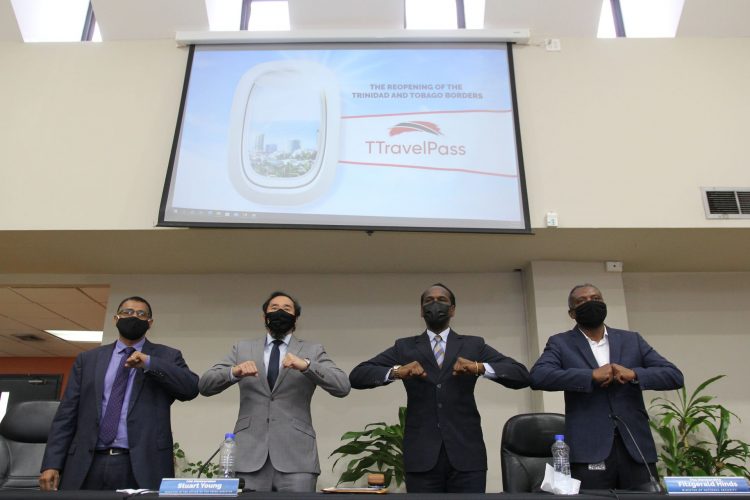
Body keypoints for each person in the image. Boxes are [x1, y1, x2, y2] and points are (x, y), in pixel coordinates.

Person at [349, 283, 530, 493]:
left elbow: (521, 374)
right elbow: (358, 375)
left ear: (452, 309)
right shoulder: (405, 347)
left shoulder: (473, 345)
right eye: (429, 300)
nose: (435, 304)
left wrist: (479, 367)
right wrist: (398, 372)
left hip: (467, 455)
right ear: (421, 310)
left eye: (442, 300)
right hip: (421, 455)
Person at [529, 283, 684, 490]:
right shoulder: (561, 343)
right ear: (572, 313)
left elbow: (674, 375)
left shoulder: (632, 340)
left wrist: (634, 374)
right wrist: (590, 376)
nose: (590, 303)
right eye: (582, 301)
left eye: (596, 299)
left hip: (635, 448)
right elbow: (538, 376)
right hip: (589, 450)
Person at [39, 296, 200, 491]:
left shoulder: (167, 356)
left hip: (141, 463)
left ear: (150, 323)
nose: (133, 317)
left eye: (141, 314)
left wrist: (149, 363)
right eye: (127, 312)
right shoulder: (88, 359)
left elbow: (190, 388)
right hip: (88, 461)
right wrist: (52, 463)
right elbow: (67, 414)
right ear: (116, 319)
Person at [199, 291, 350, 492]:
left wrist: (306, 365)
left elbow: (342, 386)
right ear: (264, 317)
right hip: (249, 457)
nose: (280, 312)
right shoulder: (242, 348)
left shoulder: (312, 350)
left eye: (287, 309)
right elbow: (205, 385)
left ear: (296, 318)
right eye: (274, 308)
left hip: (297, 458)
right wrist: (235, 371)